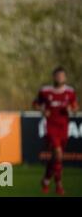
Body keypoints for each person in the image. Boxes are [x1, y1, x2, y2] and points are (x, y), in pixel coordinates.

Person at [33, 66, 78, 195]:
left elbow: (75, 107)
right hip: (50, 126)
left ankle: (46, 180)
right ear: (54, 77)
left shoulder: (70, 92)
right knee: (58, 154)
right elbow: (35, 104)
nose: (60, 78)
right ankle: (58, 184)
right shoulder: (45, 91)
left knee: (56, 158)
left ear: (65, 78)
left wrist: (72, 110)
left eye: (62, 76)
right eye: (57, 76)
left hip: (64, 127)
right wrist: (43, 110)